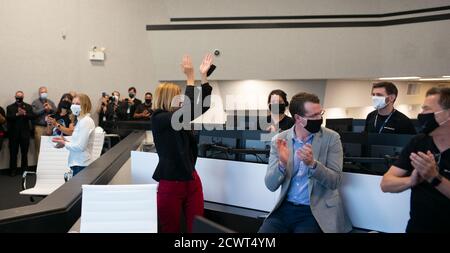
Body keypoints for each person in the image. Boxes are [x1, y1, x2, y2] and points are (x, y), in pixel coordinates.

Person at [258, 92, 352, 233]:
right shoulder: (280, 139)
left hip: (315, 210)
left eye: (320, 113)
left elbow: (335, 181)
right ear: (298, 118)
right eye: (313, 116)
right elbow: (270, 185)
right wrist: (282, 165)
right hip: (285, 209)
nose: (319, 118)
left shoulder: (332, 138)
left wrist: (313, 165)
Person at [151, 53, 214, 233]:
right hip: (170, 184)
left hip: (192, 181)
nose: (182, 98)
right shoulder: (159, 118)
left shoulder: (181, 119)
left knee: (197, 229)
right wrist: (190, 78)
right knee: (170, 229)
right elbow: (188, 110)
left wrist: (203, 77)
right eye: (178, 95)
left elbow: (204, 105)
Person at [380, 87, 450, 233]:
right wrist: (411, 181)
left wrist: (434, 178)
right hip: (417, 227)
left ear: (447, 114)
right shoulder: (419, 142)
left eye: (426, 109)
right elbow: (386, 184)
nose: (421, 114)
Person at [52, 93, 95, 176]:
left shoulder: (86, 121)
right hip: (77, 163)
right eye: (73, 104)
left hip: (82, 164)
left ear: (85, 105)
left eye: (78, 104)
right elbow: (78, 142)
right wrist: (65, 141)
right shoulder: (80, 121)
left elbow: (80, 147)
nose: (74, 106)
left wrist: (64, 143)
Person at [6, 91, 34, 177]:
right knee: (13, 153)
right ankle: (13, 170)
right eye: (17, 96)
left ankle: (24, 170)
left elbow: (32, 116)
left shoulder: (28, 106)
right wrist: (17, 114)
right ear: (15, 97)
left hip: (25, 134)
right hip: (13, 134)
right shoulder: (10, 107)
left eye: (20, 96)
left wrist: (24, 113)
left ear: (23, 97)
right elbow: (8, 118)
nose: (19, 98)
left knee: (24, 153)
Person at [32, 86, 56, 155]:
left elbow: (56, 112)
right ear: (39, 93)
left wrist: (50, 109)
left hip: (50, 127)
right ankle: (38, 165)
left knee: (49, 148)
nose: (44, 93)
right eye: (42, 92)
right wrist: (44, 109)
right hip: (40, 127)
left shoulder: (50, 102)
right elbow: (34, 113)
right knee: (39, 148)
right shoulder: (35, 102)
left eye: (45, 92)